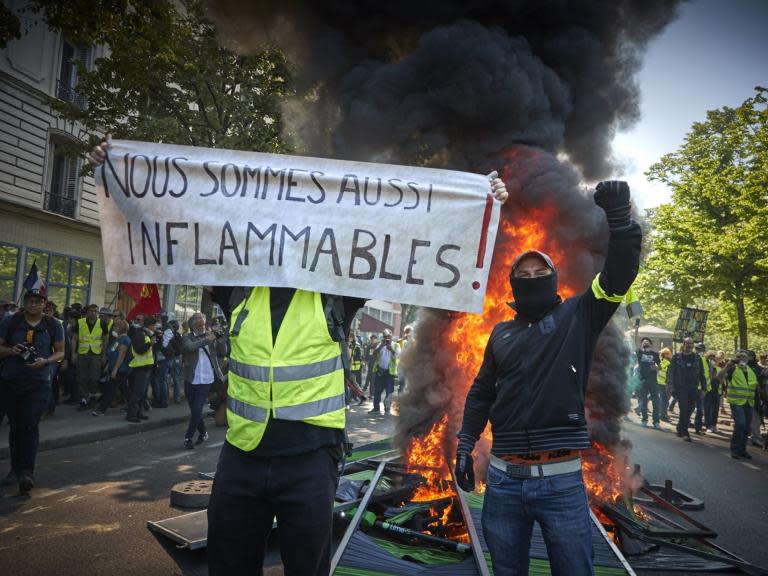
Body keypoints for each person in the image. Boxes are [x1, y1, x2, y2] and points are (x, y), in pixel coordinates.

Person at [88, 134, 509, 575]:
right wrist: (118, 174)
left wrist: (481, 202)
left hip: (310, 460)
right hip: (242, 456)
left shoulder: (335, 291)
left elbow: (404, 239)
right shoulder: (234, 286)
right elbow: (172, 229)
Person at [454, 180, 641, 576]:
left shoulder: (578, 316)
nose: (533, 276)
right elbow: (482, 392)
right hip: (503, 482)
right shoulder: (501, 333)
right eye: (525, 273)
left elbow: (619, 275)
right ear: (514, 284)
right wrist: (465, 444)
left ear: (554, 279)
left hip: (561, 485)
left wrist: (620, 221)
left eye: (541, 271)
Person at [0, 288, 65, 493]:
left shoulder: (53, 324)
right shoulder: (11, 322)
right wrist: (11, 351)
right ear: (25, 302)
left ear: (45, 304)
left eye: (38, 301)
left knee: (29, 425)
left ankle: (27, 472)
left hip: (38, 383)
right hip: (11, 381)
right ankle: (15, 469)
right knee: (16, 427)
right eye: (30, 301)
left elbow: (61, 352)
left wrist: (46, 360)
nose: (33, 304)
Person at [181, 312, 226, 449]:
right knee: (195, 411)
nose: (202, 327)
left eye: (203, 324)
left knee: (197, 408)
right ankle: (204, 432)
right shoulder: (187, 337)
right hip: (191, 378)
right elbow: (190, 347)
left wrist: (219, 340)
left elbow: (223, 352)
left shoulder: (210, 335)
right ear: (193, 325)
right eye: (199, 325)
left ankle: (188, 437)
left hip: (206, 378)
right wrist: (207, 339)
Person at [718, 350, 759, 459]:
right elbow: (719, 377)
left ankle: (742, 450)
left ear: (748, 359)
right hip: (736, 402)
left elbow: (755, 386)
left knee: (746, 427)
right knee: (740, 424)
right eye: (740, 357)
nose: (743, 359)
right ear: (737, 359)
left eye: (744, 357)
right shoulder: (732, 369)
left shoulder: (751, 370)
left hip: (749, 402)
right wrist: (727, 366)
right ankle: (734, 449)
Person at [70, 303, 109, 411]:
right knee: (81, 377)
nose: (92, 313)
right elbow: (74, 339)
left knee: (94, 377)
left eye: (95, 311)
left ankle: (92, 396)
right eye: (90, 311)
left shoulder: (102, 323)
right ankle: (83, 399)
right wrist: (73, 353)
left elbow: (105, 340)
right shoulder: (80, 322)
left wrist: (104, 355)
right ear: (87, 312)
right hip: (82, 353)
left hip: (96, 354)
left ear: (98, 313)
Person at [667, 337, 707, 442]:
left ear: (693, 345)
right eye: (687, 343)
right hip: (680, 388)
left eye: (691, 343)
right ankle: (685, 432)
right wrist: (671, 387)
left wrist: (703, 389)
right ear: (683, 344)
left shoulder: (697, 358)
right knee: (683, 409)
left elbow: (702, 375)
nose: (689, 345)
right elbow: (671, 373)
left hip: (693, 388)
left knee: (689, 410)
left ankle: (680, 427)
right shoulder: (676, 358)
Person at [92, 318, 132, 416]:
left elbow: (121, 356)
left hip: (120, 369)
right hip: (114, 368)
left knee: (111, 389)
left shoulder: (125, 340)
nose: (114, 328)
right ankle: (133, 406)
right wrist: (108, 366)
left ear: (120, 328)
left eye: (116, 326)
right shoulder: (118, 339)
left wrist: (115, 369)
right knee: (124, 388)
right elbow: (112, 354)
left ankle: (101, 409)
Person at [126, 315, 160, 423]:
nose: (156, 327)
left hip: (147, 367)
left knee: (143, 393)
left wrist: (154, 341)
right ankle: (131, 415)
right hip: (140, 367)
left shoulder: (148, 335)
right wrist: (150, 343)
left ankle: (139, 412)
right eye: (154, 325)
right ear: (150, 326)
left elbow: (153, 351)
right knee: (138, 392)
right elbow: (140, 349)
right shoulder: (140, 335)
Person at [369, 329, 401, 416]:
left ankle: (387, 409)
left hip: (389, 374)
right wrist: (380, 346)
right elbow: (373, 354)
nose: (387, 338)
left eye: (388, 336)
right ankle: (376, 408)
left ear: (391, 335)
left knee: (389, 392)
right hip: (379, 372)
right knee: (377, 391)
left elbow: (398, 357)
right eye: (385, 337)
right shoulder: (380, 344)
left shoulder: (396, 345)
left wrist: (391, 350)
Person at [635, 337, 660, 428]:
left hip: (653, 381)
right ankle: (644, 420)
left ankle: (656, 422)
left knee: (656, 402)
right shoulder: (639, 353)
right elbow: (635, 342)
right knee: (644, 401)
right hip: (642, 380)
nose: (645, 342)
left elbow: (659, 367)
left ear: (650, 344)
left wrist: (656, 368)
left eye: (647, 341)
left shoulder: (655, 354)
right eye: (643, 342)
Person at [693, 342, 712, 434]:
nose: (699, 351)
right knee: (689, 408)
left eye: (700, 349)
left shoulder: (706, 361)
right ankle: (684, 425)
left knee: (700, 410)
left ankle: (698, 427)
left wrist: (706, 388)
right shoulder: (692, 358)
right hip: (692, 388)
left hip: (702, 390)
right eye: (697, 349)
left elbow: (707, 375)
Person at [396, 324, 414, 393]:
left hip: (410, 366)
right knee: (402, 384)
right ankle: (400, 399)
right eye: (410, 332)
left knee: (409, 384)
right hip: (402, 365)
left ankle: (405, 399)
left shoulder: (414, 342)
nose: (411, 333)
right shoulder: (401, 341)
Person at [657, 347, 672, 422]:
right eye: (669, 354)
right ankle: (662, 415)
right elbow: (669, 374)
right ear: (665, 354)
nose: (670, 355)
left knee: (662, 400)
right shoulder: (668, 362)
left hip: (659, 382)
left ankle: (662, 414)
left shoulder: (661, 361)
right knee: (665, 400)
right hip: (664, 384)